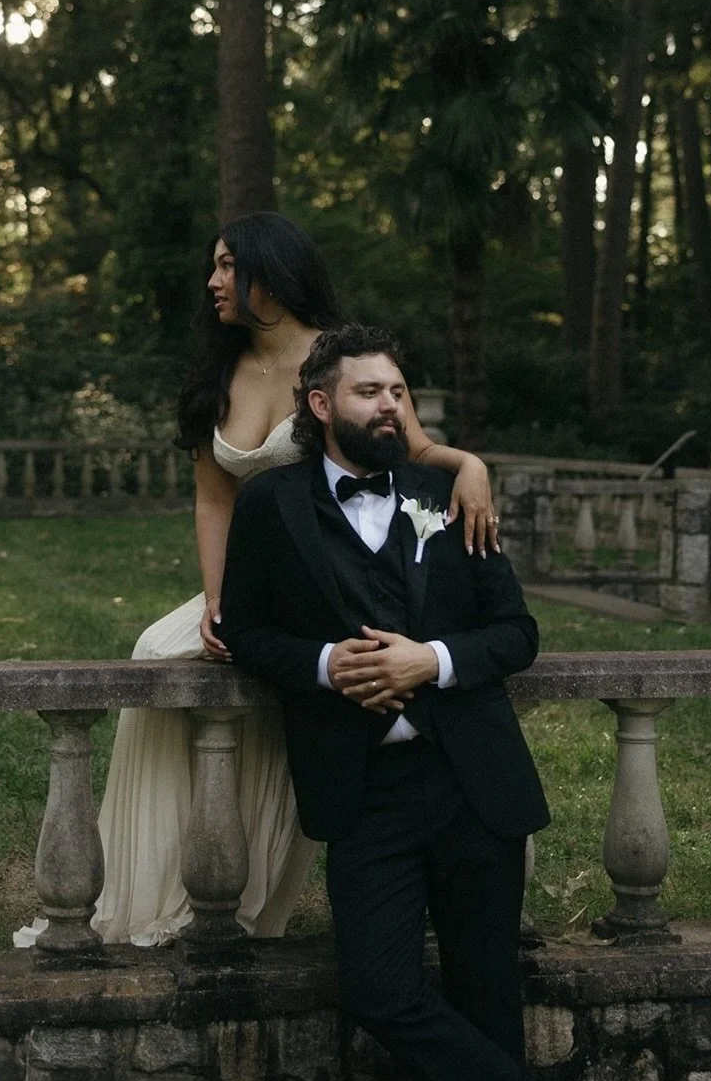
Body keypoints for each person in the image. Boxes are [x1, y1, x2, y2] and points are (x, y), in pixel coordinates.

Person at [218, 324, 609, 1081]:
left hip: (474, 786)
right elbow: (247, 631)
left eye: (398, 391)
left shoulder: (449, 495)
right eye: (370, 392)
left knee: (486, 999)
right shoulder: (271, 506)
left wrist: (429, 660)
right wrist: (325, 664)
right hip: (366, 794)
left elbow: (516, 634)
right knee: (380, 990)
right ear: (321, 405)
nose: (390, 405)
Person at [82, 213, 498, 948]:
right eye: (214, 267)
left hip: (336, 582)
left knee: (299, 687)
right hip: (255, 579)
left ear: (269, 274)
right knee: (157, 651)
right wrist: (218, 598)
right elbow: (214, 498)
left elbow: (412, 446)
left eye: (227, 267)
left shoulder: (338, 361)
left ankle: (253, 882)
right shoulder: (217, 374)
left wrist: (472, 466)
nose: (213, 282)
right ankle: (150, 886)